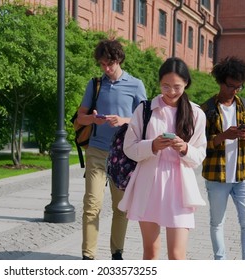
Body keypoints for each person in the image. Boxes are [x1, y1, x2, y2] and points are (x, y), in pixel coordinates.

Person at [118, 57, 207, 260]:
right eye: (166, 86)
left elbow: (199, 155)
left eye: (177, 86)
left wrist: (184, 148)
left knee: (177, 255)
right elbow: (129, 148)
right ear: (159, 83)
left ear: (186, 83)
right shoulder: (145, 109)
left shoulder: (196, 114)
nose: (171, 92)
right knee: (151, 252)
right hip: (149, 184)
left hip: (180, 188)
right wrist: (152, 145)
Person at [76, 39, 147, 260]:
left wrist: (124, 120)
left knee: (120, 207)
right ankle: (88, 257)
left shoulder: (136, 85)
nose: (106, 69)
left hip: (123, 153)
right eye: (102, 64)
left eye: (110, 64)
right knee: (92, 204)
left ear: (119, 60)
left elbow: (145, 120)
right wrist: (93, 120)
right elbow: (80, 117)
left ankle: (117, 254)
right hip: (96, 151)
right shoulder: (95, 84)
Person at [200, 56, 245, 260]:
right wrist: (222, 137)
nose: (235, 90)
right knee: (217, 222)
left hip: (244, 175)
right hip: (217, 176)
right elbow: (199, 145)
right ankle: (221, 262)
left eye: (239, 87)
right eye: (231, 86)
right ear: (220, 81)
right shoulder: (206, 109)